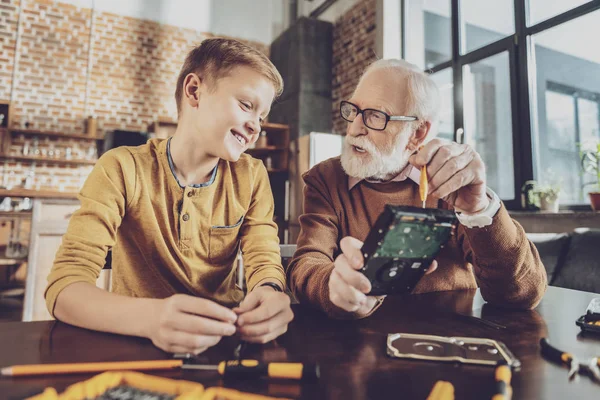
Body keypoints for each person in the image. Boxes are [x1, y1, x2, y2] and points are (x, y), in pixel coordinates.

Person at [46, 38, 293, 353]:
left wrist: (270, 291)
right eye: (246, 105)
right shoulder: (121, 167)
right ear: (194, 91)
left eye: (261, 116)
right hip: (136, 344)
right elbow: (64, 288)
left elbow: (264, 259)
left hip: (224, 345)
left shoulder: (252, 175)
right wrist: (151, 318)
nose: (256, 127)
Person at [287, 59, 547, 318]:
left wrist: (478, 209)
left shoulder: (448, 181)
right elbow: (307, 262)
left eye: (376, 116)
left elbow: (521, 293)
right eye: (353, 110)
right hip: (359, 345)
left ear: (418, 133)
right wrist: (332, 286)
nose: (354, 128)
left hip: (451, 341)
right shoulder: (325, 178)